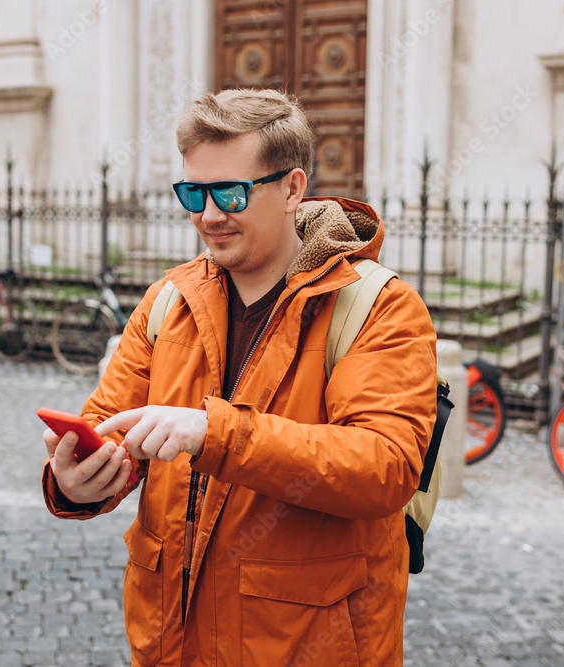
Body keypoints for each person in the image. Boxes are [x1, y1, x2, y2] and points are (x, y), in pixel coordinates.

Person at [42, 88, 437, 666]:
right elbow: (109, 427)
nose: (208, 215)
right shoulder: (167, 300)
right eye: (192, 193)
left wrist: (213, 433)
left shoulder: (381, 306)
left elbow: (385, 466)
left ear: (293, 189)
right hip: (169, 645)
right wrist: (78, 482)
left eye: (230, 193)